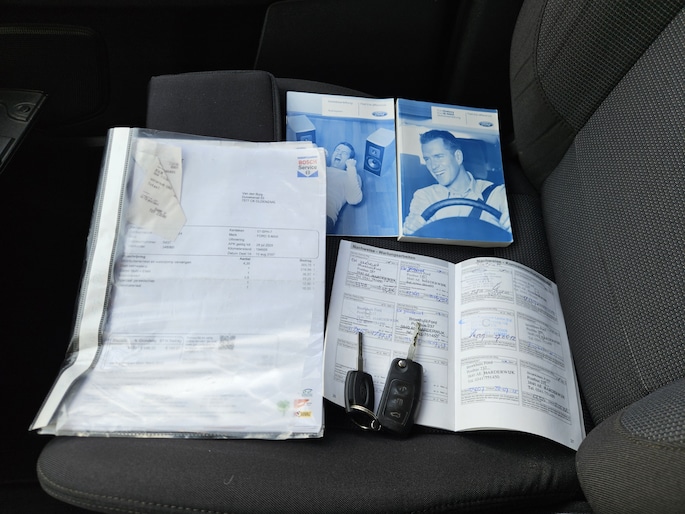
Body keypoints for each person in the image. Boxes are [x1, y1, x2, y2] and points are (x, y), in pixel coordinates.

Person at [402, 130, 511, 235]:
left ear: (458, 157)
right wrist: (412, 227)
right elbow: (416, 222)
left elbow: (506, 211)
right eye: (427, 159)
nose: (433, 166)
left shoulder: (497, 193)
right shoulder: (424, 196)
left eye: (438, 156)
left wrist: (510, 221)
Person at [326, 142, 363, 233]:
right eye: (337, 150)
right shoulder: (321, 168)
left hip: (325, 216)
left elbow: (354, 199)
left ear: (349, 160)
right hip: (303, 209)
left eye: (344, 153)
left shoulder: (350, 175)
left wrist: (351, 168)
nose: (339, 154)